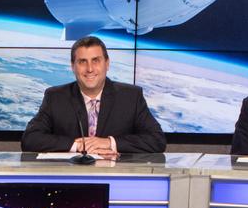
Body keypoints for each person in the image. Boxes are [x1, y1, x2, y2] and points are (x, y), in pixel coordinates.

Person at [21, 36, 166, 157]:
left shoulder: (131, 97)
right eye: (82, 61)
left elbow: (157, 140)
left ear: (107, 64)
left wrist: (109, 143)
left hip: (117, 177)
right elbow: (30, 139)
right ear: (73, 66)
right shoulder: (55, 97)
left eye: (96, 60)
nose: (90, 69)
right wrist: (78, 145)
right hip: (71, 179)